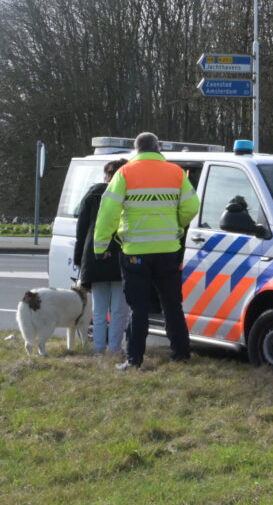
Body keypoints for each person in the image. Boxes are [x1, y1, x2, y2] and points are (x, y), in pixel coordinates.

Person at [93, 132, 200, 370]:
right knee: (172, 305)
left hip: (136, 251)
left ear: (136, 149)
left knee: (138, 308)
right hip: (168, 249)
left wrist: (101, 245)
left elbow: (108, 212)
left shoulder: (125, 173)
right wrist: (178, 224)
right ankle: (181, 355)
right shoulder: (176, 172)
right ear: (158, 148)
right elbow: (192, 206)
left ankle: (134, 359)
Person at [73, 158, 130, 354]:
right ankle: (115, 349)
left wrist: (79, 258)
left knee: (98, 310)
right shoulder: (128, 194)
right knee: (119, 310)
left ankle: (98, 348)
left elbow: (81, 230)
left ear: (106, 175)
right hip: (122, 256)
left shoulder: (93, 193)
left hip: (95, 256)